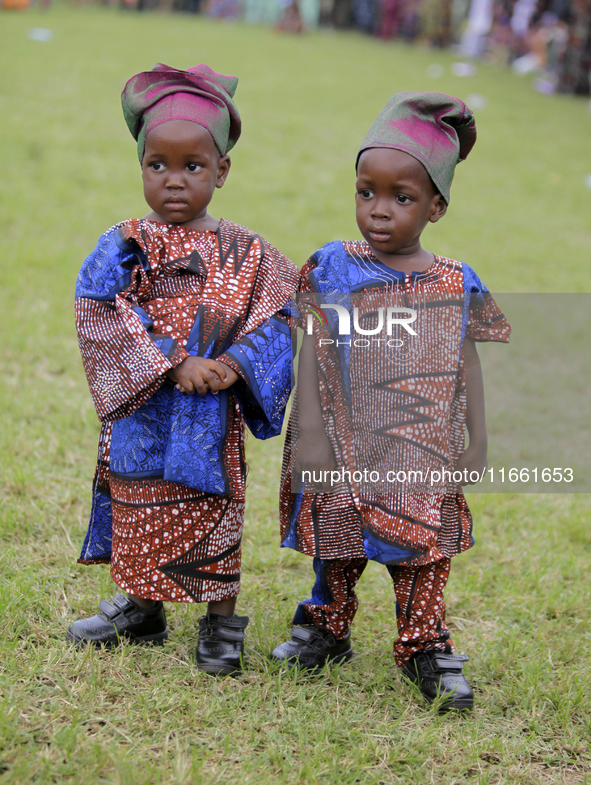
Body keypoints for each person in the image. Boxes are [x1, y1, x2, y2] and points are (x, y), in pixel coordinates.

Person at [271, 92, 511, 711]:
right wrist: (312, 433)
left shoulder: (456, 283)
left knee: (423, 551)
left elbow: (468, 363)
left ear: (436, 207)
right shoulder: (331, 267)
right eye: (365, 191)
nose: (379, 211)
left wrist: (477, 442)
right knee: (337, 537)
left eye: (401, 198)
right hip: (344, 443)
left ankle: (424, 645)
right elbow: (312, 350)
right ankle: (326, 625)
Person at [68, 63, 299, 676]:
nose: (174, 181)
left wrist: (233, 366)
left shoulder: (251, 252)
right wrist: (171, 361)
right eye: (157, 165)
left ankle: (221, 622)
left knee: (211, 511)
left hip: (208, 419)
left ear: (221, 171)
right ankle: (143, 606)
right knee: (139, 505)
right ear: (140, 166)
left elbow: (281, 312)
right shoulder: (124, 243)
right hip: (143, 412)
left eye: (192, 166)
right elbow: (98, 306)